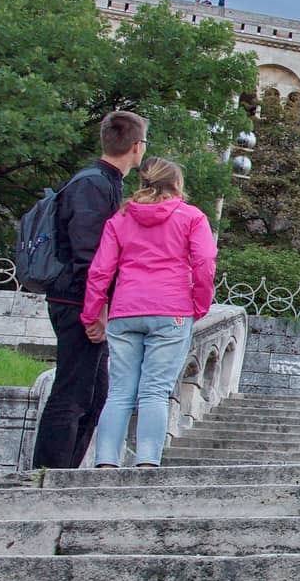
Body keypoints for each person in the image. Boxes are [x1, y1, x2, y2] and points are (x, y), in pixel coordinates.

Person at [30, 111, 148, 469]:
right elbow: (89, 253)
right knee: (71, 393)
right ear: (137, 146)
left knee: (95, 395)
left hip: (85, 298)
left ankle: (64, 473)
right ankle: (48, 475)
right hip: (78, 299)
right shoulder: (94, 184)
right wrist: (96, 310)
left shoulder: (104, 182)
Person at [82, 157, 217, 467]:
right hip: (172, 309)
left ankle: (105, 462)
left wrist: (92, 315)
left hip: (126, 310)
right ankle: (146, 462)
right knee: (155, 390)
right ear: (177, 185)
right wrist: (200, 303)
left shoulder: (120, 219)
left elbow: (100, 271)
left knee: (119, 391)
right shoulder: (192, 217)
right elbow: (205, 262)